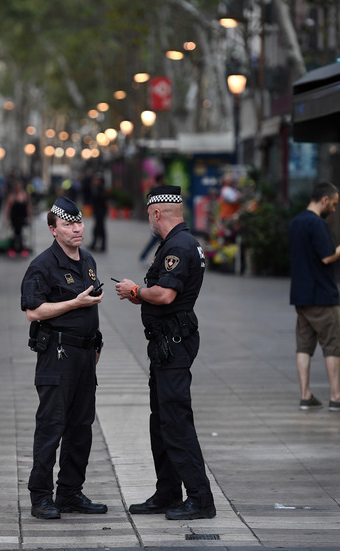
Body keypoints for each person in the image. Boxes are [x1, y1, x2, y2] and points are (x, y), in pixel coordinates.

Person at [113, 185, 216, 521]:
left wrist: (134, 291)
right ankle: (169, 492)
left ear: (157, 213)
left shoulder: (178, 246)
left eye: (148, 214)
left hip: (173, 342)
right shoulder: (180, 243)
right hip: (165, 344)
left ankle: (200, 498)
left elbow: (165, 294)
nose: (149, 220)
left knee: (174, 420)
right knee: (161, 420)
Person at [20, 196, 107, 520]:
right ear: (53, 229)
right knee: (51, 426)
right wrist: (74, 304)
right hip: (56, 356)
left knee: (81, 427)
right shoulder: (42, 266)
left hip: (84, 356)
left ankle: (70, 491)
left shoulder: (87, 259)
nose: (77, 229)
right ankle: (41, 496)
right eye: (69, 224)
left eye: (79, 222)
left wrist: (96, 343)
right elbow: (33, 311)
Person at [289, 181, 340, 412]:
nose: (333, 209)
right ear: (324, 200)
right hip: (322, 295)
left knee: (304, 345)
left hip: (301, 296)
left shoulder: (296, 223)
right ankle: (336, 397)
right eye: (333, 203)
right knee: (332, 345)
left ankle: (305, 395)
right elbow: (327, 257)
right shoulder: (317, 224)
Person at [138, 174, 166, 264]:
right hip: (157, 219)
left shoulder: (154, 189)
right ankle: (144, 256)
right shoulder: (157, 190)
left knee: (161, 241)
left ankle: (158, 259)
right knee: (158, 240)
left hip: (157, 219)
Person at [6, 182, 31, 258]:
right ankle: (14, 248)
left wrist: (29, 217)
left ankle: (21, 248)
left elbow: (28, 207)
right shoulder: (12, 197)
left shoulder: (25, 196)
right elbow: (8, 208)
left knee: (20, 233)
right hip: (14, 217)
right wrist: (7, 219)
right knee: (16, 233)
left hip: (22, 217)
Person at [88, 173, 108, 252]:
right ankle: (99, 245)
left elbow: (102, 201)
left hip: (100, 212)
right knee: (99, 229)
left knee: (99, 229)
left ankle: (98, 245)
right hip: (98, 211)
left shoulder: (101, 189)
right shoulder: (97, 188)